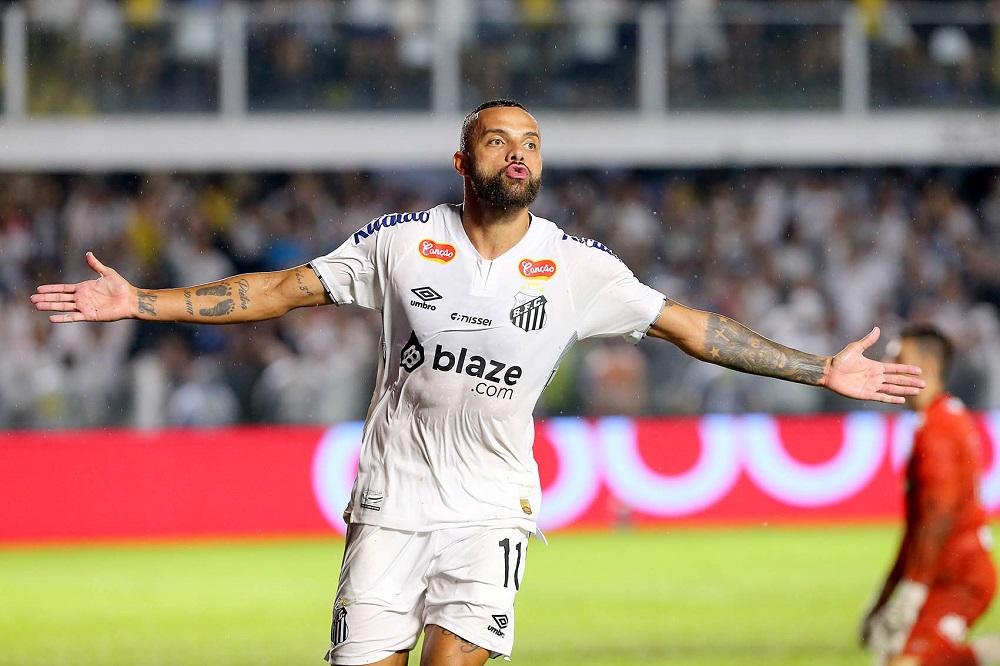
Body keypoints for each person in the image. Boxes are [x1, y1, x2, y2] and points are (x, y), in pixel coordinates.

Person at [32, 99, 925, 666]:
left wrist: (820, 369)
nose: (518, 153)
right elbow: (279, 289)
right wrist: (141, 301)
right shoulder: (399, 241)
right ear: (464, 162)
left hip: (492, 508)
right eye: (498, 140)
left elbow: (696, 328)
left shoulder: (577, 267)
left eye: (531, 142)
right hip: (390, 503)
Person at [860, 323, 999, 666]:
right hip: (946, 570)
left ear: (927, 367)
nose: (886, 367)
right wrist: (886, 595)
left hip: (959, 577)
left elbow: (938, 517)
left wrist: (912, 592)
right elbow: (918, 528)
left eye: (897, 358)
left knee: (906, 664)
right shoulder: (945, 418)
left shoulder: (936, 431)